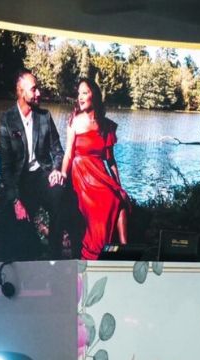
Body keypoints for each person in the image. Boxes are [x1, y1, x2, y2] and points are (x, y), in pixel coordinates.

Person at [0, 70, 70, 261]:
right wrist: (15, 200)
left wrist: (56, 170)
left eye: (38, 89)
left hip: (42, 174)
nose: (38, 93)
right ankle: (20, 258)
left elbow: (58, 151)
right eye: (34, 89)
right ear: (21, 92)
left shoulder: (44, 117)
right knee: (10, 220)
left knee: (59, 195)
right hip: (20, 181)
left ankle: (55, 254)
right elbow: (5, 166)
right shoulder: (7, 120)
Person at [60, 77, 130, 260]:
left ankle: (125, 252)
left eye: (85, 93)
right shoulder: (74, 122)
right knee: (102, 207)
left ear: (95, 96)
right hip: (81, 174)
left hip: (99, 173)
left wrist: (119, 186)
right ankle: (93, 256)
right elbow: (68, 154)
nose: (80, 97)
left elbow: (111, 161)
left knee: (119, 199)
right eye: (79, 94)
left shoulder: (105, 125)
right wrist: (63, 174)